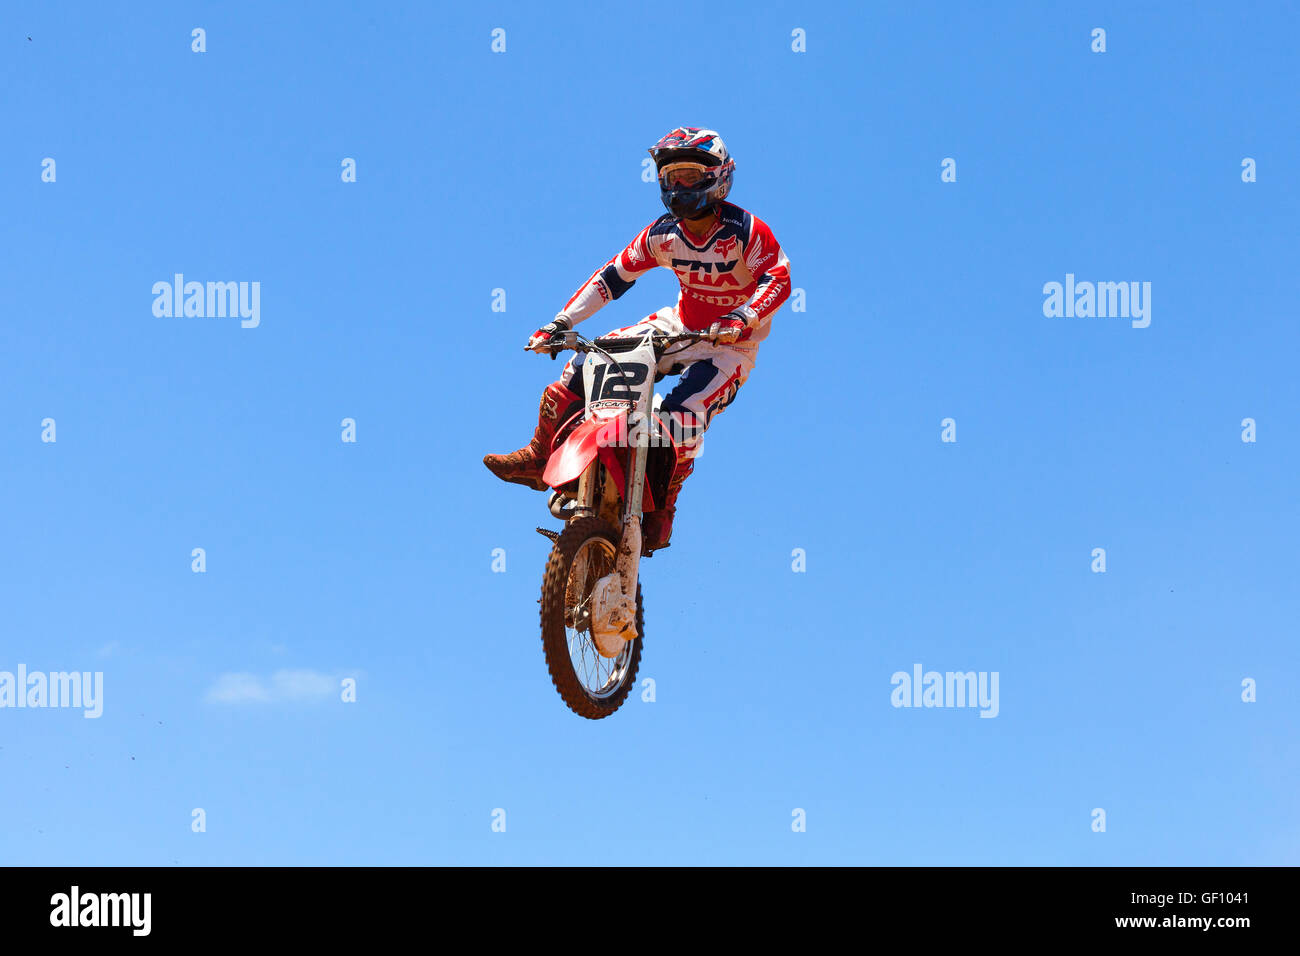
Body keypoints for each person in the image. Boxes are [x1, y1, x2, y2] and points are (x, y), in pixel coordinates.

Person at [483, 127, 792, 554]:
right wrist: (561, 322)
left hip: (730, 346)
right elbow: (614, 277)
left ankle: (662, 507)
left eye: (688, 175)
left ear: (717, 176)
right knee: (587, 361)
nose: (679, 186)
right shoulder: (664, 233)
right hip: (679, 325)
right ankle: (539, 457)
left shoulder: (745, 231)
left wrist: (744, 316)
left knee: (680, 419)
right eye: (670, 177)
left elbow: (778, 277)